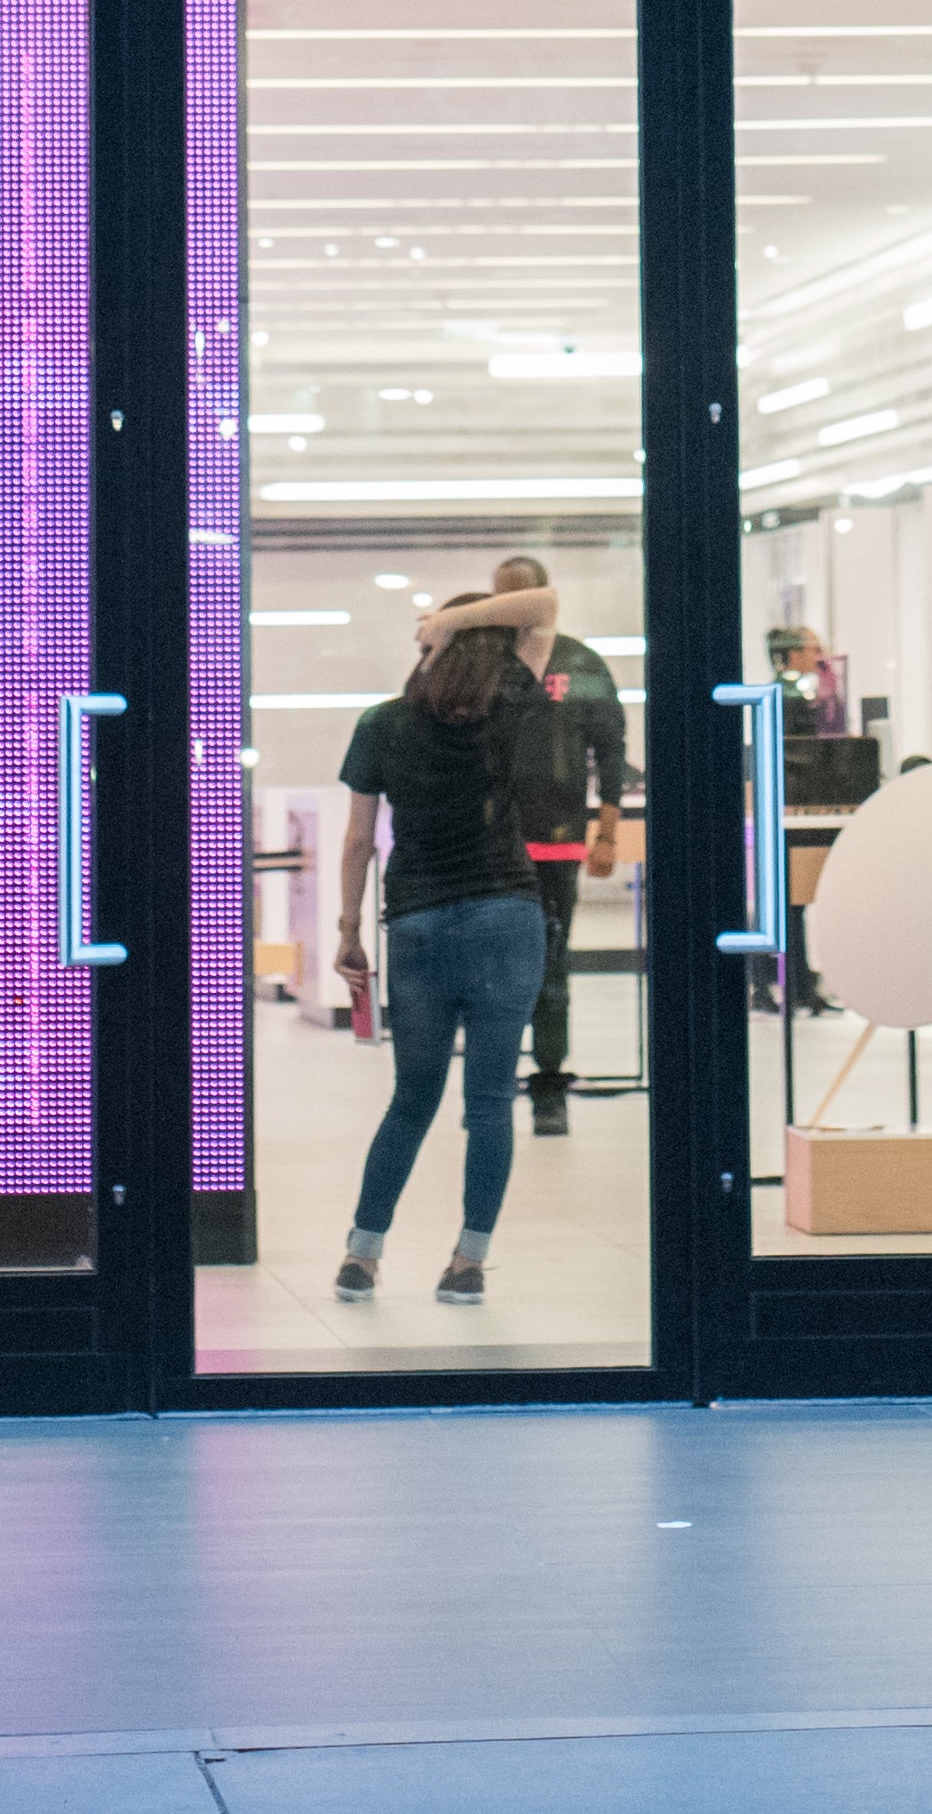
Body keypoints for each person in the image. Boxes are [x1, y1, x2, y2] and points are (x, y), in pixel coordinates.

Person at [325, 589, 552, 1306]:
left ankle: (361, 1258)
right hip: (505, 918)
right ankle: (468, 1265)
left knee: (410, 1101)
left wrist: (349, 930)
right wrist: (459, 623)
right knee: (489, 1103)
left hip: (417, 926)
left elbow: (360, 840)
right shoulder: (509, 703)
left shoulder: (381, 724)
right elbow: (543, 608)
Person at [483, 554, 626, 1139]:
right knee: (490, 967)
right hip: (488, 845)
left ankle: (548, 1084)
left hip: (557, 843)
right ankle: (490, 1083)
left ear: (544, 596)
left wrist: (608, 832)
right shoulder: (481, 662)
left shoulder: (578, 663)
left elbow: (611, 749)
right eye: (502, 597)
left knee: (550, 968)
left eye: (522, 597)